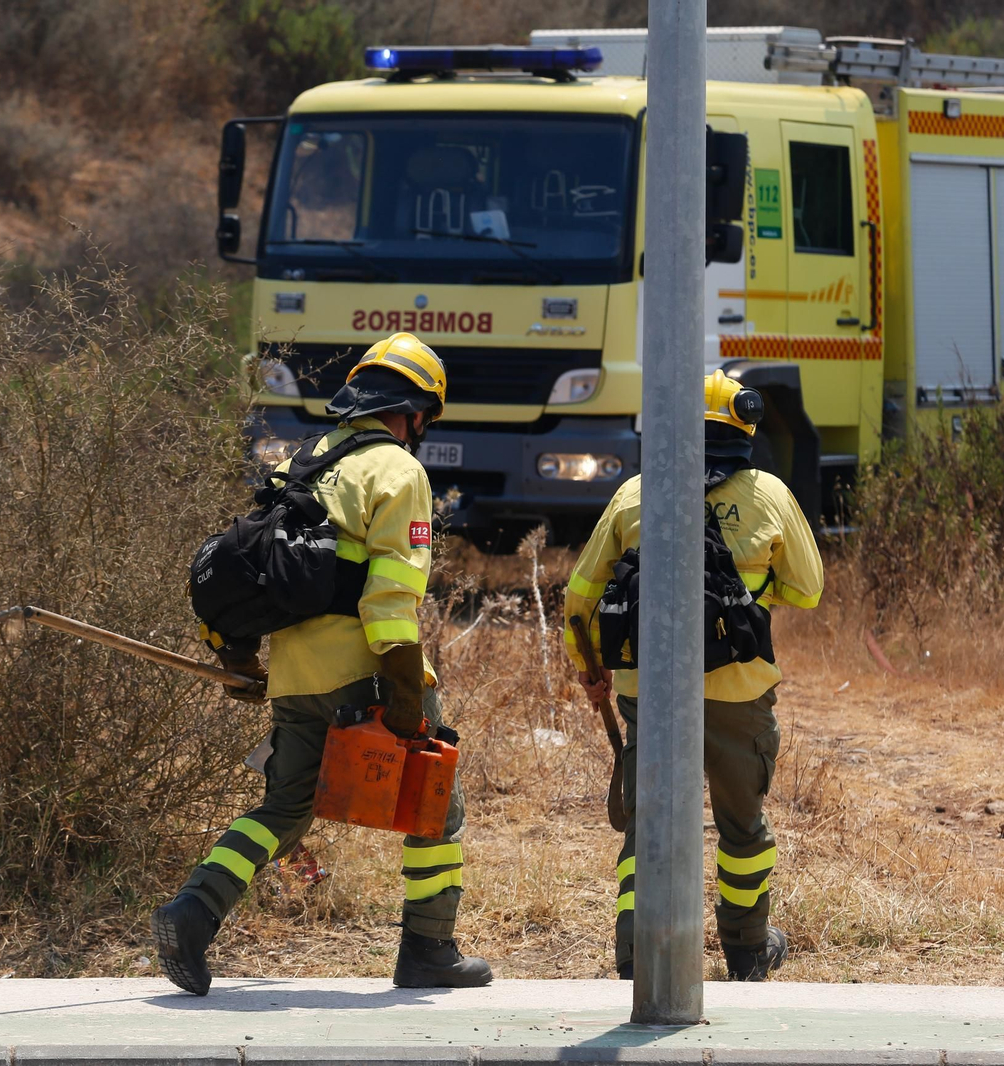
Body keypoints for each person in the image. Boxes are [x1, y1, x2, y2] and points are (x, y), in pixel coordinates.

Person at [152, 332, 491, 995]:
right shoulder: (398, 472)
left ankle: (192, 913)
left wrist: (242, 659)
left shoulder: (305, 461)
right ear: (417, 412)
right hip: (365, 671)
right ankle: (429, 949)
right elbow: (391, 600)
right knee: (434, 807)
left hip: (296, 677)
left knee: (284, 808)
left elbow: (253, 569)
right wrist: (401, 693)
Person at [562, 369, 824, 981]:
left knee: (645, 831)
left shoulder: (635, 494)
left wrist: (592, 670)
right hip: (739, 691)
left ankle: (636, 955)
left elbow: (579, 599)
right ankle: (747, 949)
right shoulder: (768, 494)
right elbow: (808, 590)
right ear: (742, 428)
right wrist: (751, 596)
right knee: (742, 827)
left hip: (644, 693)